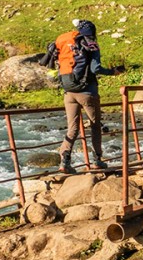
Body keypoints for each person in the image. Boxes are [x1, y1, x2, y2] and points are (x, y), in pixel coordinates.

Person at [47, 19, 115, 173]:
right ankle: (97, 160)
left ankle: (64, 161)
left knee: (72, 128)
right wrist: (112, 72)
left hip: (69, 92)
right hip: (87, 92)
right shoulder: (91, 44)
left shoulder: (68, 44)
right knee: (95, 126)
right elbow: (95, 68)